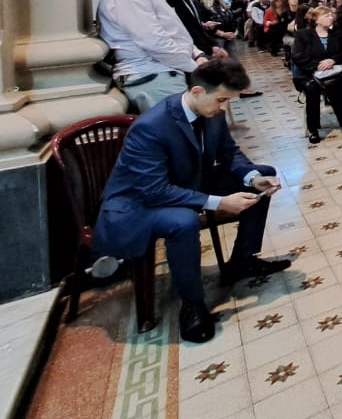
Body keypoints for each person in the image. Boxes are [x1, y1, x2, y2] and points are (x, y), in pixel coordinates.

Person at [91, 59, 290, 343]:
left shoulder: (212, 112)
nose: (223, 108)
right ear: (197, 92)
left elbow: (229, 152)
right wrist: (218, 202)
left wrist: (252, 178)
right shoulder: (152, 126)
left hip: (187, 181)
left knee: (264, 174)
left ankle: (242, 262)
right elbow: (154, 190)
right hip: (138, 203)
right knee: (182, 221)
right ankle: (192, 304)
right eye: (221, 99)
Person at [98, 0, 216, 112]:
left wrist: (196, 53)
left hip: (163, 71)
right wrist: (194, 67)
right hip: (153, 75)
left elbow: (173, 29)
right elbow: (154, 41)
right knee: (177, 135)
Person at [291, 6, 342, 144]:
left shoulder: (337, 34)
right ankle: (313, 129)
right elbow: (297, 57)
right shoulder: (303, 35)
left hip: (333, 71)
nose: (331, 17)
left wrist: (332, 60)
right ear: (316, 19)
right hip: (309, 74)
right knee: (312, 89)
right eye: (326, 15)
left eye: (331, 15)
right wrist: (319, 65)